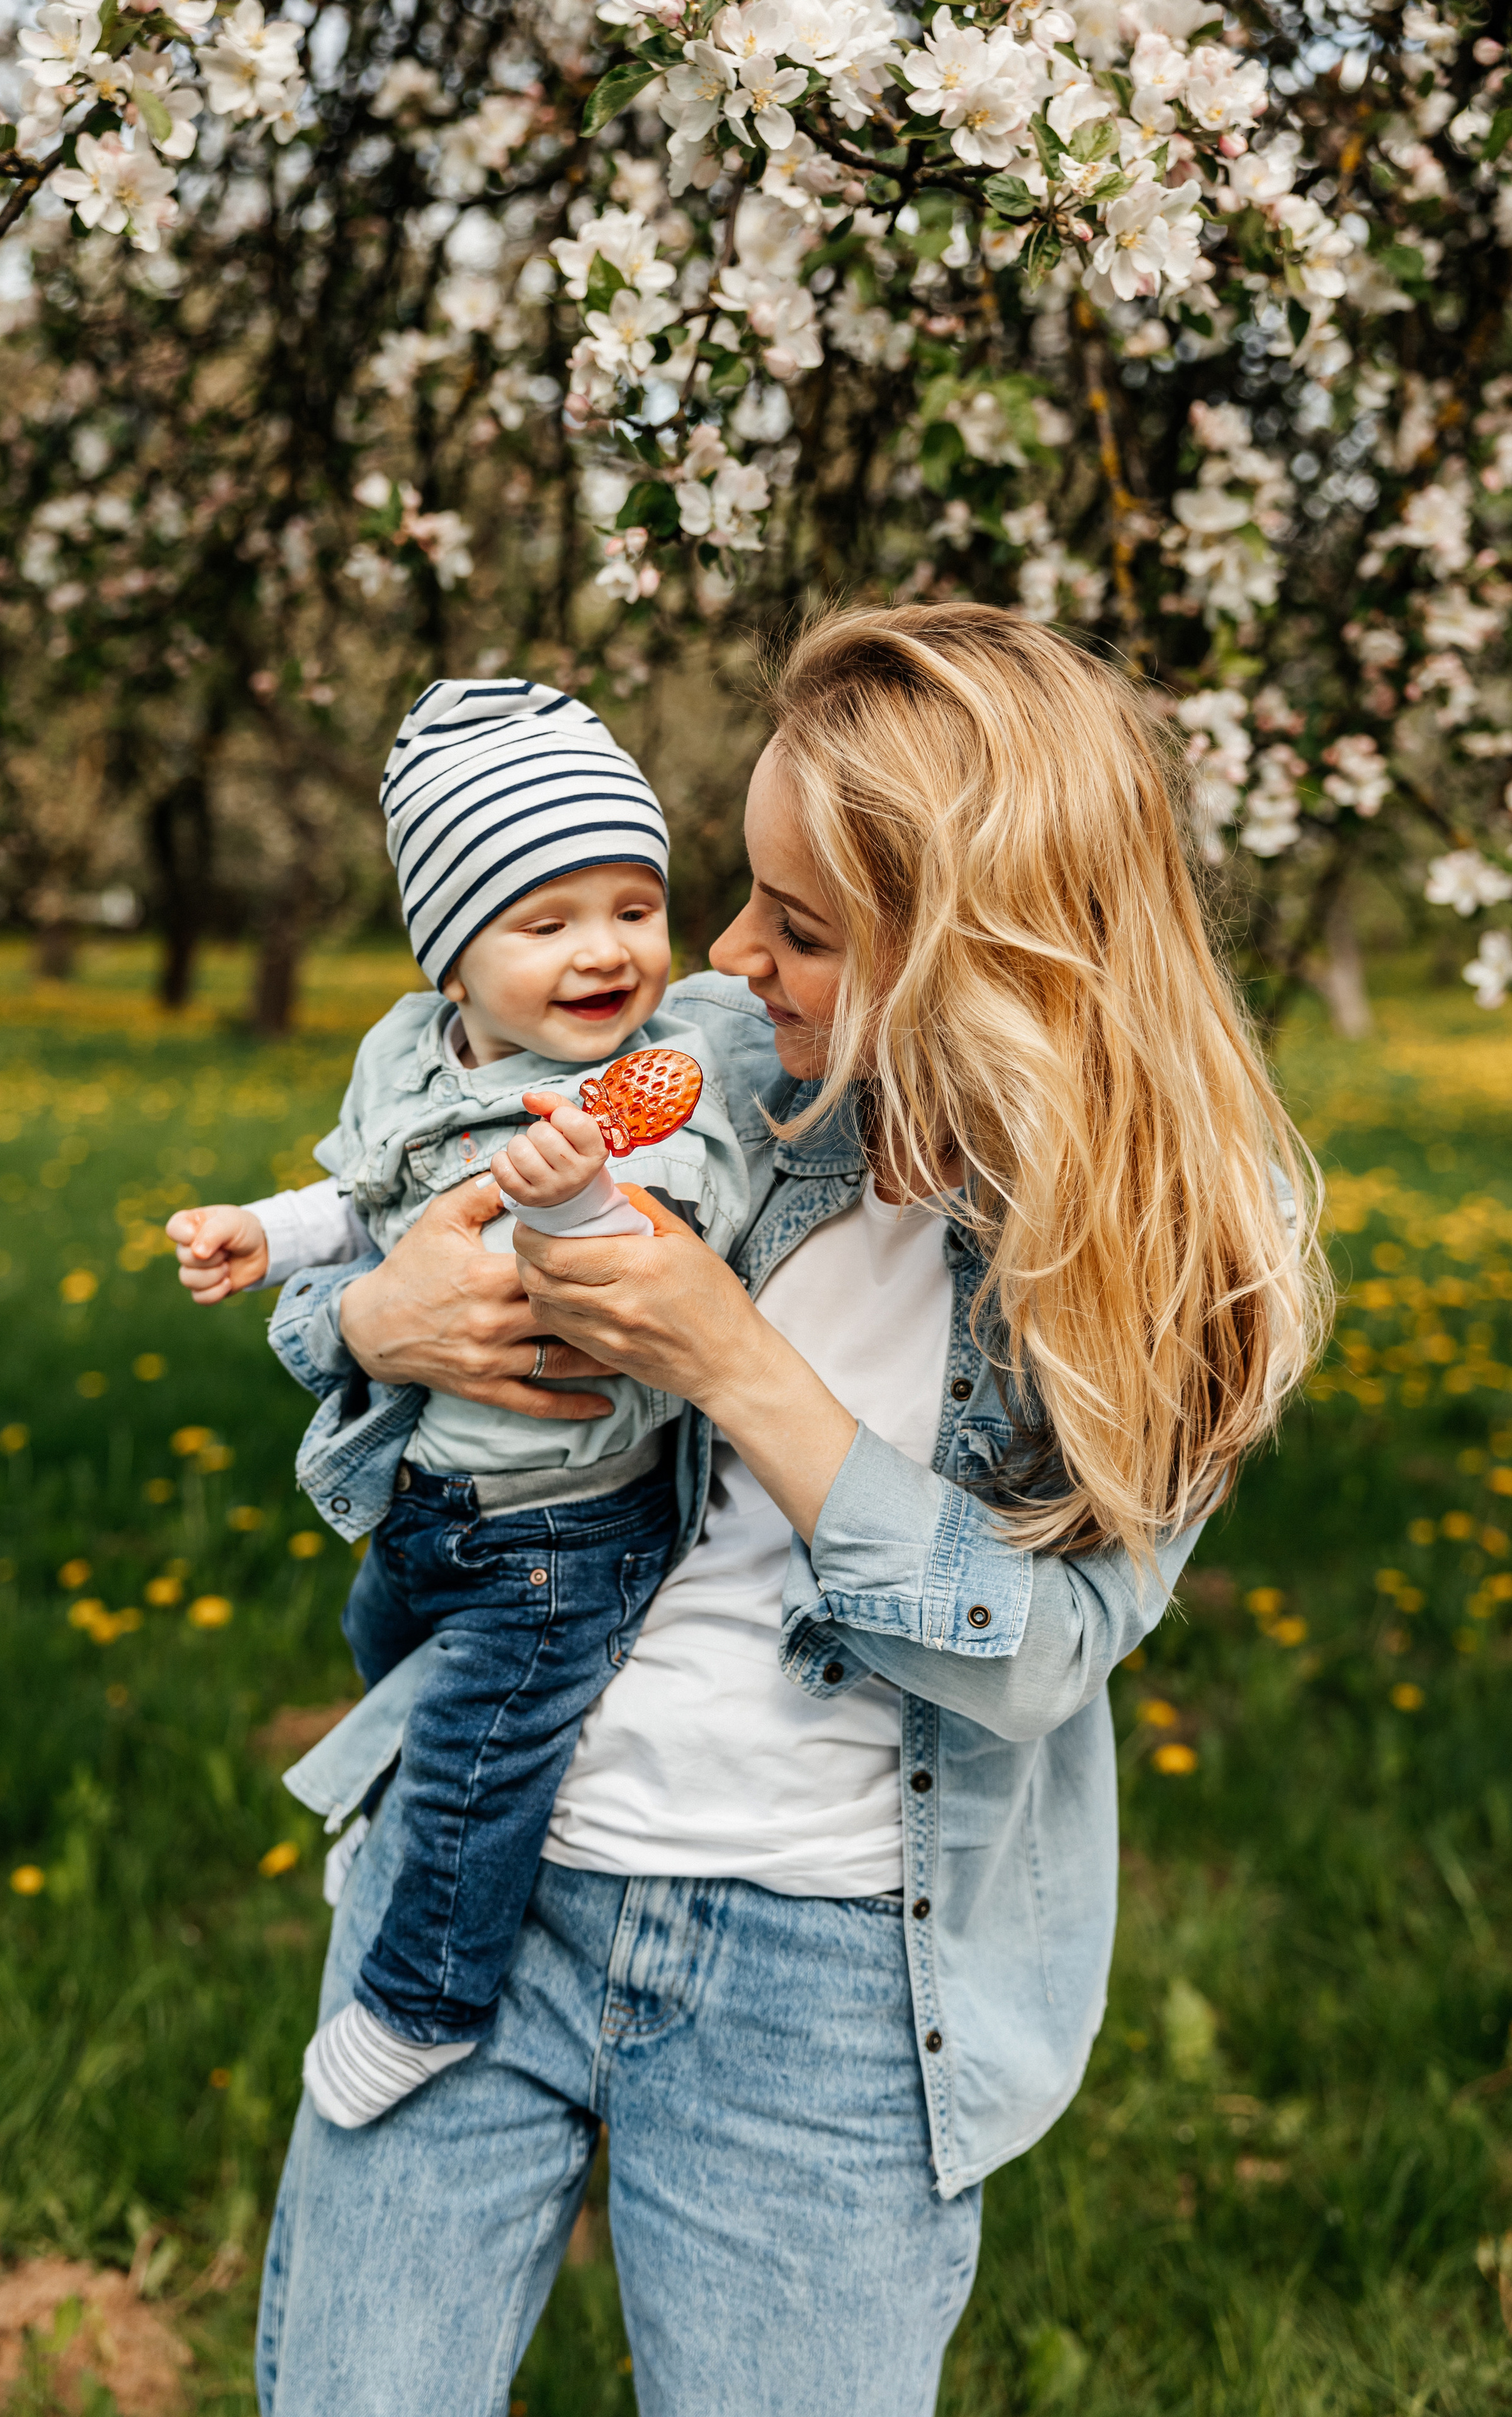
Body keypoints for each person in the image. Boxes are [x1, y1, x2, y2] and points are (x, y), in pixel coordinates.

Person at [254, 605, 1331, 2417]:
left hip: (826, 1982)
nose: (724, 955)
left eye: (802, 927)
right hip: (486, 1872)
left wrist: (734, 1359)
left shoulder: (1176, 1243)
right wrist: (362, 1324)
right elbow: (397, 1221)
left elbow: (1040, 1652)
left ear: (982, 951)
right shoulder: (713, 1070)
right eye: (743, 894)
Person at [164, 680, 750, 2130]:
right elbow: (365, 1190)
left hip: (563, 1526)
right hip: (430, 1496)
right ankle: (387, 1818)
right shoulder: (409, 1054)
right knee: (383, 1650)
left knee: (484, 1766)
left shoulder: (648, 1085)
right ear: (451, 959)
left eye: (633, 907)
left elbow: (662, 1257)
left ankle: (425, 2002)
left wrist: (579, 1196)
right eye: (544, 923)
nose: (604, 949)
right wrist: (267, 1236)